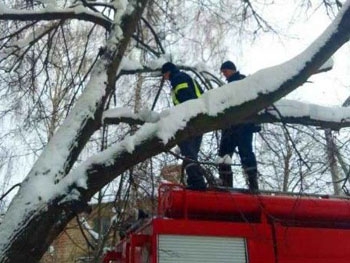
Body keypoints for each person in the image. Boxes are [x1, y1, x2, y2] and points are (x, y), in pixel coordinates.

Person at [161, 62, 206, 191]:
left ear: (168, 72)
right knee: (191, 153)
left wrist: (184, 118)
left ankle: (197, 182)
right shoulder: (184, 77)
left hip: (192, 118)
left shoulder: (178, 78)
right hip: (199, 118)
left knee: (187, 150)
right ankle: (195, 181)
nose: (164, 78)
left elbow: (186, 98)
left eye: (164, 74)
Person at [218, 60, 260, 191]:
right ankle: (226, 183)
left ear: (231, 69)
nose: (224, 74)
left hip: (243, 126)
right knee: (224, 155)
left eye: (225, 71)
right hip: (231, 127)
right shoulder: (229, 86)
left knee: (245, 153)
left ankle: (252, 183)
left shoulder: (244, 83)